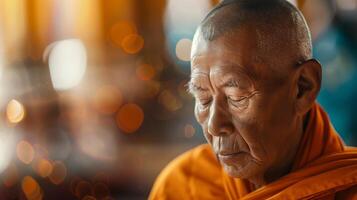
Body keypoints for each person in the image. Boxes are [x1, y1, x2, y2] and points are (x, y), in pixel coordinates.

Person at [149, 0, 357, 199]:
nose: (214, 125)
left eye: (235, 97)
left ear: (303, 88)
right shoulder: (182, 187)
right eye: (203, 98)